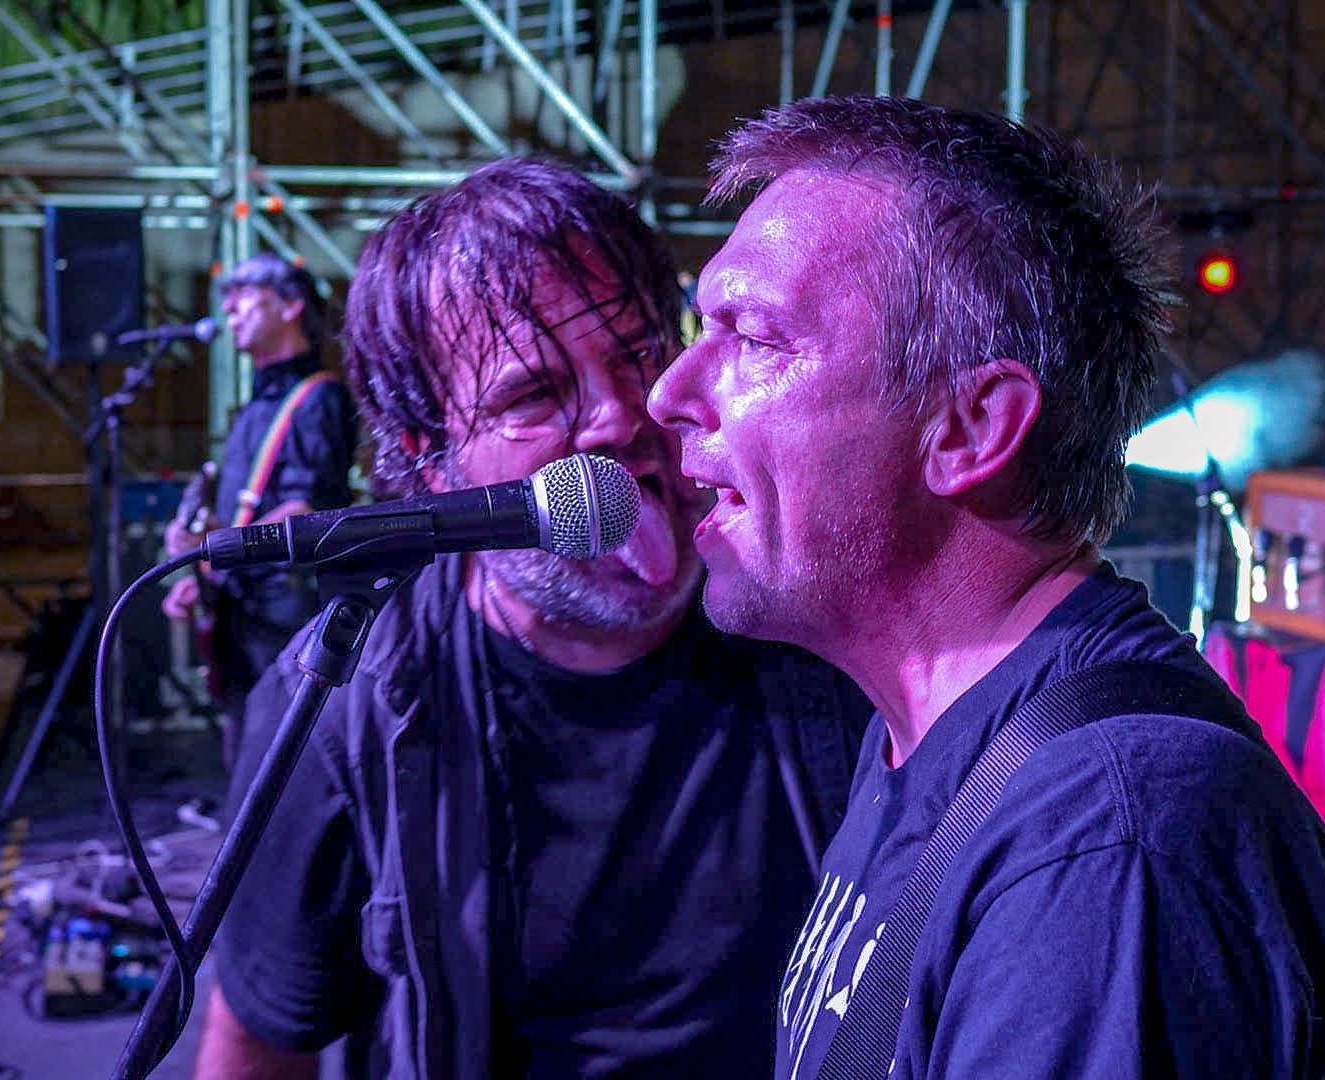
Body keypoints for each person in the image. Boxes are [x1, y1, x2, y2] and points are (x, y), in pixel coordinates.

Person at [648, 96, 1325, 1079]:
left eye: (756, 338)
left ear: (973, 429)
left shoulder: (1106, 841)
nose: (671, 394)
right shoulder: (932, 742)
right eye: (702, 325)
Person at [194, 159, 871, 1079]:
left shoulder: (811, 620)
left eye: (639, 351)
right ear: (429, 458)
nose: (621, 417)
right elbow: (260, 1041)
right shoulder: (345, 704)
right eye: (532, 395)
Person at [162, 253, 357, 767]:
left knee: (284, 757)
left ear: (291, 306)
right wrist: (202, 561)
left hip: (285, 612)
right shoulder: (254, 409)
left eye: (245, 296)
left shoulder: (318, 398)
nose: (229, 309)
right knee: (246, 755)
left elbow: (304, 509)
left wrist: (215, 551)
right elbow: (245, 518)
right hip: (244, 609)